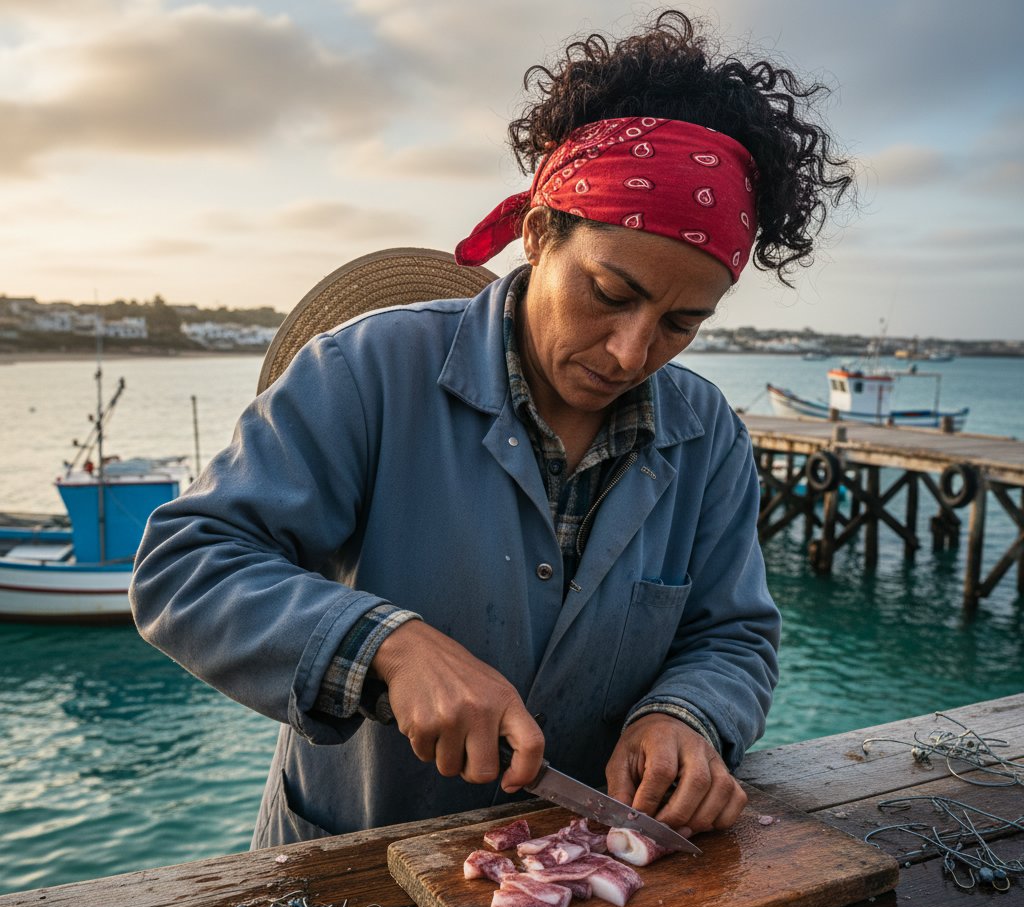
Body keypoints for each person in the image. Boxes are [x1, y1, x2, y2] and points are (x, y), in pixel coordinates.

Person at [130, 10, 853, 849]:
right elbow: (186, 565)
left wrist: (688, 714)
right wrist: (384, 646)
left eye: (681, 323)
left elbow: (732, 634)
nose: (631, 351)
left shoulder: (709, 437)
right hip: (350, 869)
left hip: (588, 881)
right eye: (611, 295)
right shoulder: (366, 372)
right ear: (539, 234)